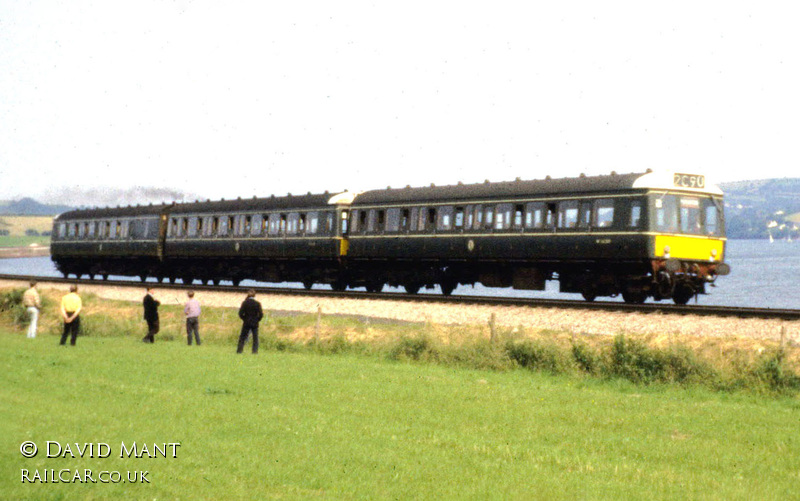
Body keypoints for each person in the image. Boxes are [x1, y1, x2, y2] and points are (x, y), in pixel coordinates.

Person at [237, 289, 263, 354]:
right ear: (254, 295)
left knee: (242, 337)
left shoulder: (245, 303)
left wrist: (244, 319)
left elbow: (240, 313)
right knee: (255, 338)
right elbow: (261, 314)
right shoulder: (257, 304)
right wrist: (257, 320)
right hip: (254, 323)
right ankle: (254, 351)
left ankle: (239, 351)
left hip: (246, 322)